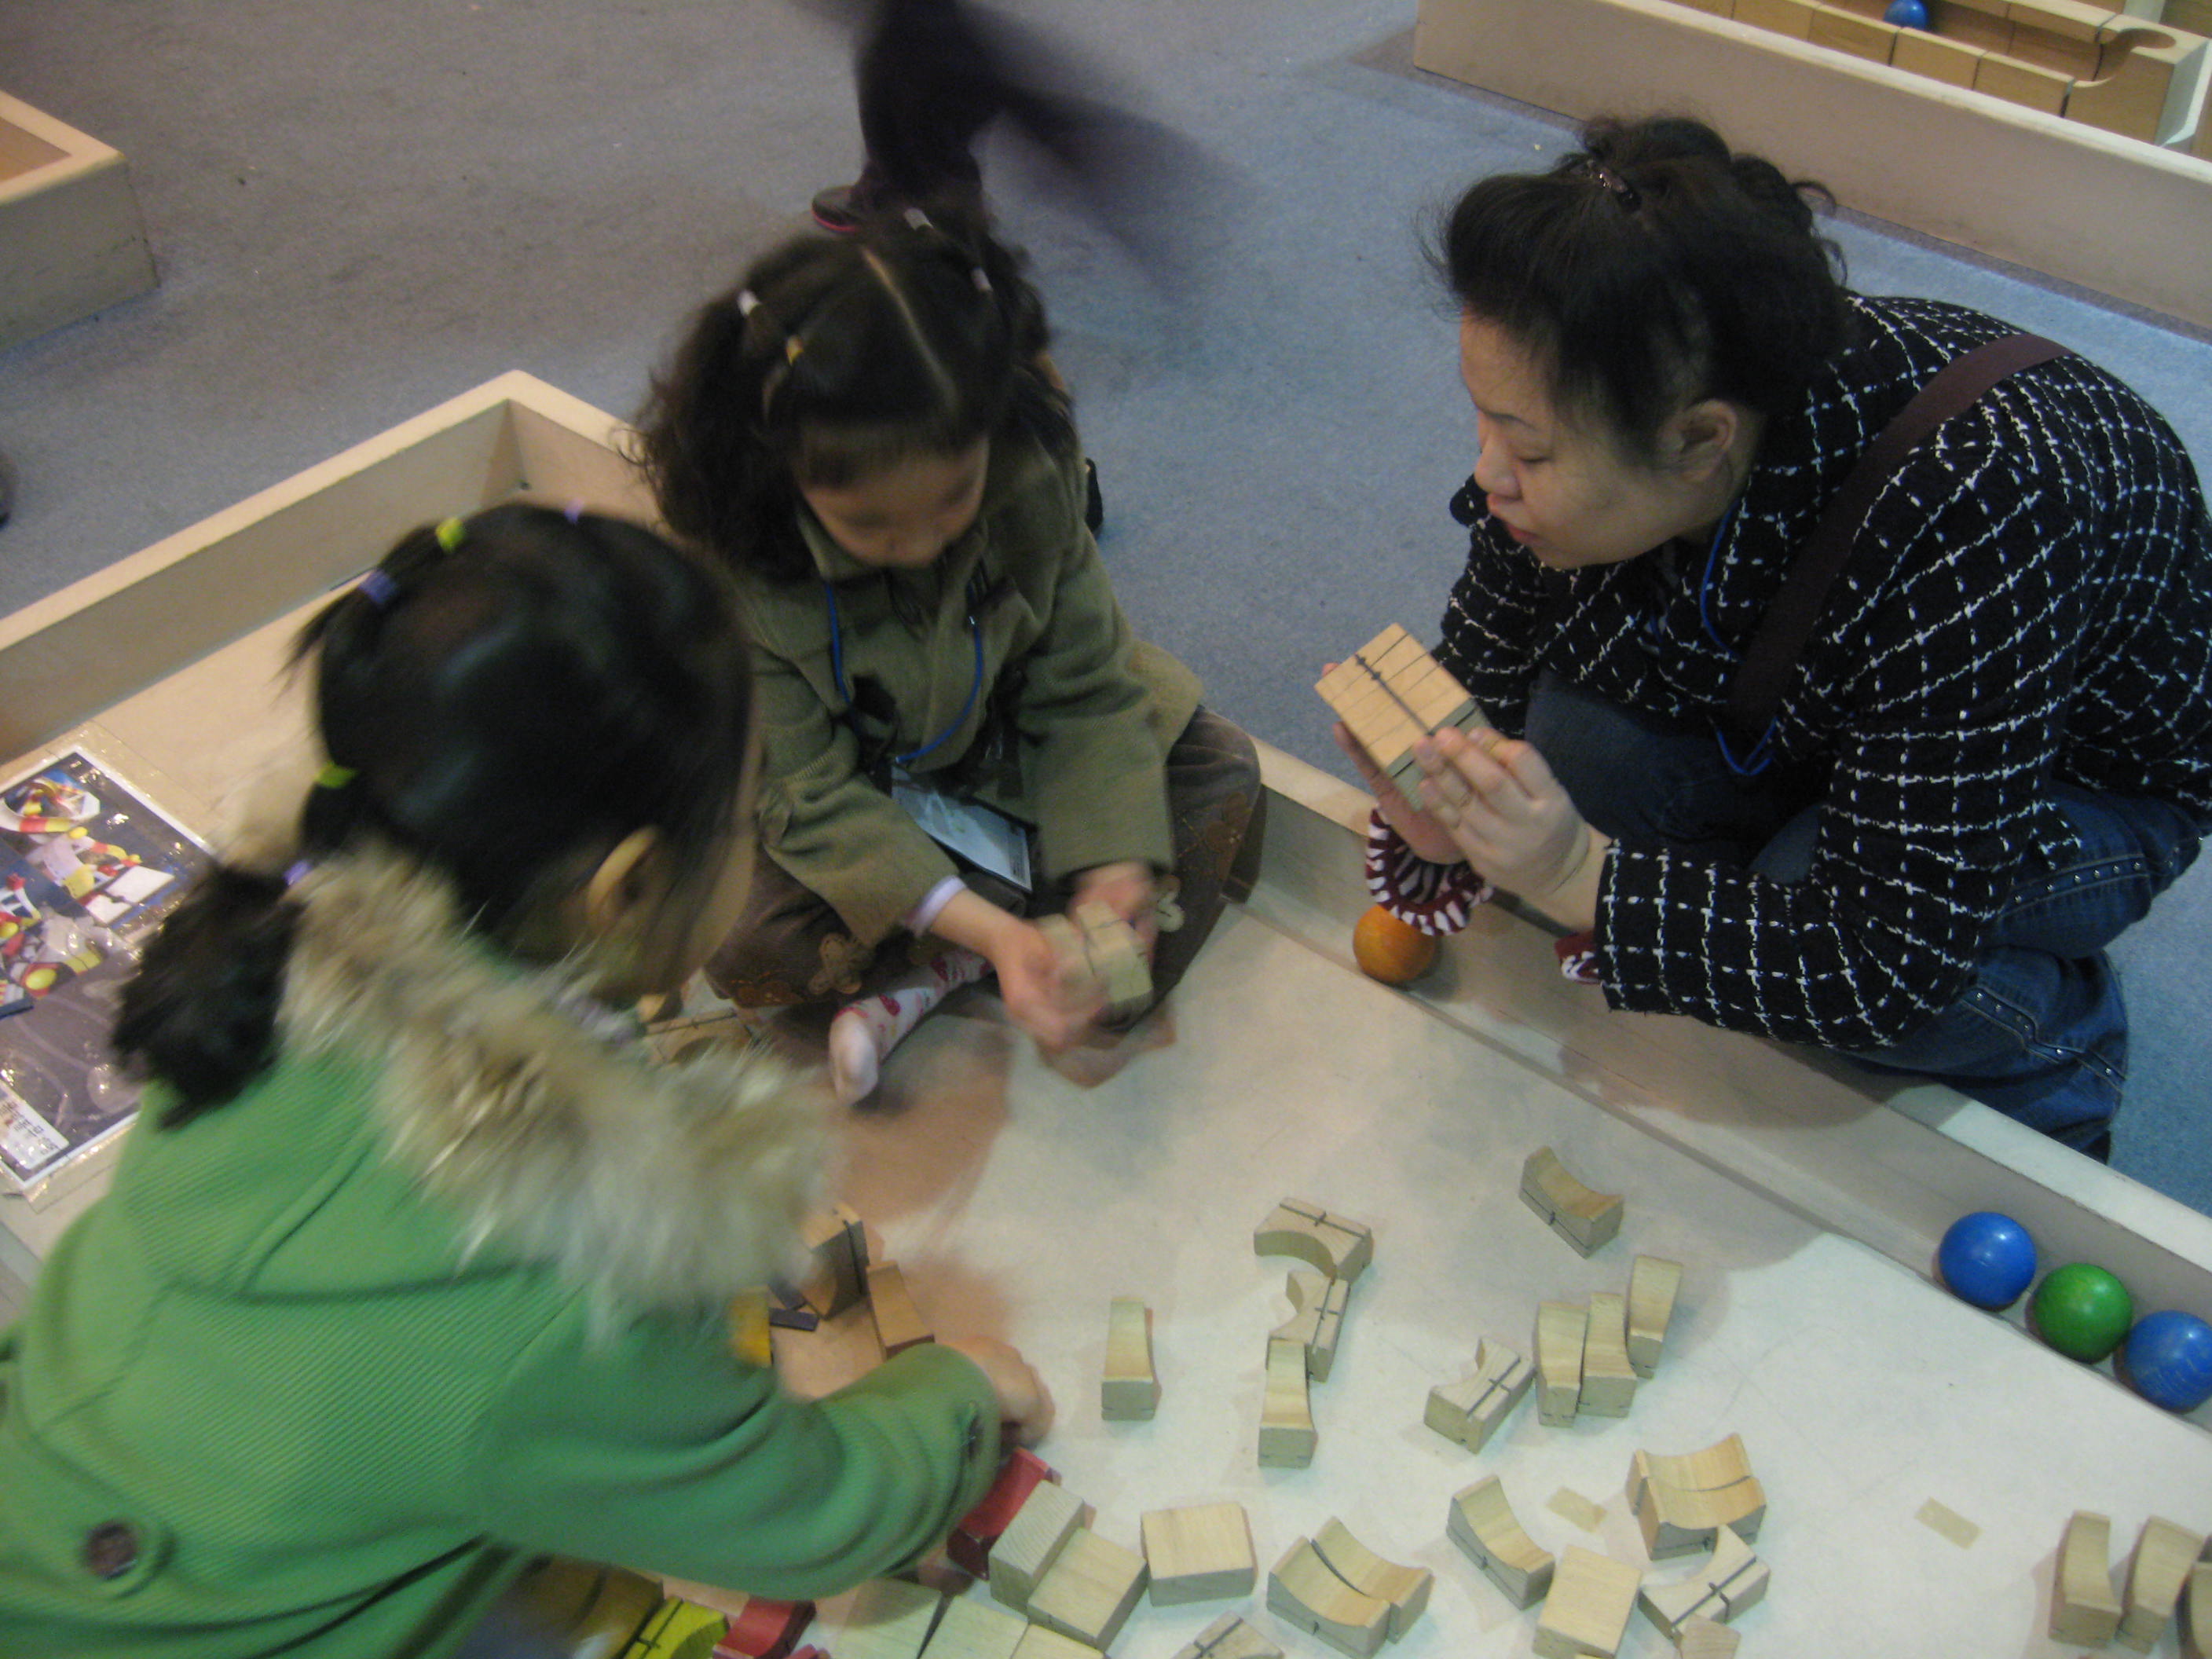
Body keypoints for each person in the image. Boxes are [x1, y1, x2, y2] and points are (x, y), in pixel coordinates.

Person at [0, 505, 1051, 1658]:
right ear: (627, 891)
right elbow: (809, 1514)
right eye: (744, 816)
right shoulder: (570, 1280)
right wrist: (954, 1397)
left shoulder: (249, 986)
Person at [1346, 115, 2212, 1158]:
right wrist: (1440, 811)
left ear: (1699, 438)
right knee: (1573, 750)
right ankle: (1752, 891)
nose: (1489, 473)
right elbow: (1488, 669)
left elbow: (1882, 961)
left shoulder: (1985, 502)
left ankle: (2055, 1040)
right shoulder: (1629, 385)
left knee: (1819, 911)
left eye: (1527, 450)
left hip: (2077, 777)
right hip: (1839, 701)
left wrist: (1577, 870)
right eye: (1483, 420)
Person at [634, 214, 1262, 1103]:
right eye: (870, 526)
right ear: (780, 474)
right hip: (851, 798)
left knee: (1219, 769)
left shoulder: (1028, 469)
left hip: (1001, 744)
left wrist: (1115, 864)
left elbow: (1085, 686)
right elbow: (803, 791)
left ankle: (943, 963)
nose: (924, 544)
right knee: (741, 941)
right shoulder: (738, 565)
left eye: (954, 500)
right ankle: (978, 944)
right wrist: (995, 935)